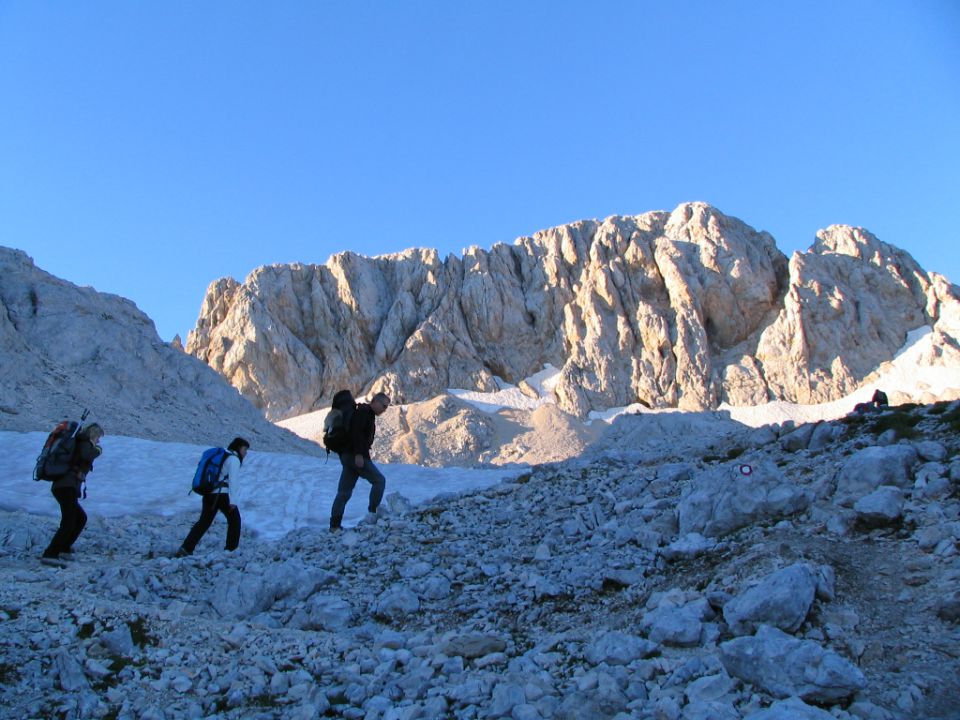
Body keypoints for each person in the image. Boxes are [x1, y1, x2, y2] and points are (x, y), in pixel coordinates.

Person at [42, 423, 104, 567]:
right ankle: (51, 553)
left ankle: (64, 548)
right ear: (93, 435)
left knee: (80, 518)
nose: (99, 441)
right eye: (98, 438)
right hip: (66, 486)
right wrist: (97, 450)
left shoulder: (79, 442)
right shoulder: (84, 443)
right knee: (69, 521)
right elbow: (86, 455)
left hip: (64, 487)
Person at [177, 437, 248, 556]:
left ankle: (186, 548)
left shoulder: (223, 457)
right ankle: (231, 550)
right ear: (239, 448)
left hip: (209, 494)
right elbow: (233, 481)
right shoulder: (234, 460)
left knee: (204, 522)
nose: (245, 453)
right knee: (235, 520)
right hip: (223, 495)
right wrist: (233, 501)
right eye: (245, 449)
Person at [330, 392, 390, 531]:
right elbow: (356, 433)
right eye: (383, 406)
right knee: (379, 481)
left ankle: (334, 526)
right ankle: (373, 514)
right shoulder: (364, 412)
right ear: (374, 401)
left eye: (386, 407)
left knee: (344, 492)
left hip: (347, 455)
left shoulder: (364, 412)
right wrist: (358, 454)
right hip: (355, 456)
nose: (384, 409)